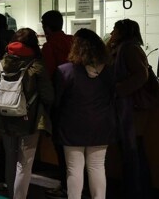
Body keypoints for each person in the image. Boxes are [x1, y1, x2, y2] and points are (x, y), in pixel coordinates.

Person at [0, 28, 54, 199]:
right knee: (24, 164)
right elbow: (49, 96)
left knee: (10, 160)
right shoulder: (36, 66)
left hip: (4, 119)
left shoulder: (0, 65)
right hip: (30, 122)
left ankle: (11, 194)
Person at [55, 29, 115, 199]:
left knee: (74, 169)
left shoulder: (65, 71)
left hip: (72, 126)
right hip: (101, 125)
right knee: (97, 167)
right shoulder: (109, 71)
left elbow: (57, 101)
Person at [107, 19, 152, 198]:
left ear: (122, 32)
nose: (111, 33)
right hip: (127, 107)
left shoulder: (128, 48)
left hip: (130, 108)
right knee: (132, 149)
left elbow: (142, 74)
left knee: (132, 150)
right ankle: (136, 188)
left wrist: (119, 90)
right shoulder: (124, 47)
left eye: (115, 30)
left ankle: (135, 191)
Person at [41, 10, 73, 199]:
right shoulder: (73, 41)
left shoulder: (50, 46)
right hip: (78, 100)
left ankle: (66, 186)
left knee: (61, 146)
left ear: (46, 27)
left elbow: (48, 76)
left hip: (60, 102)